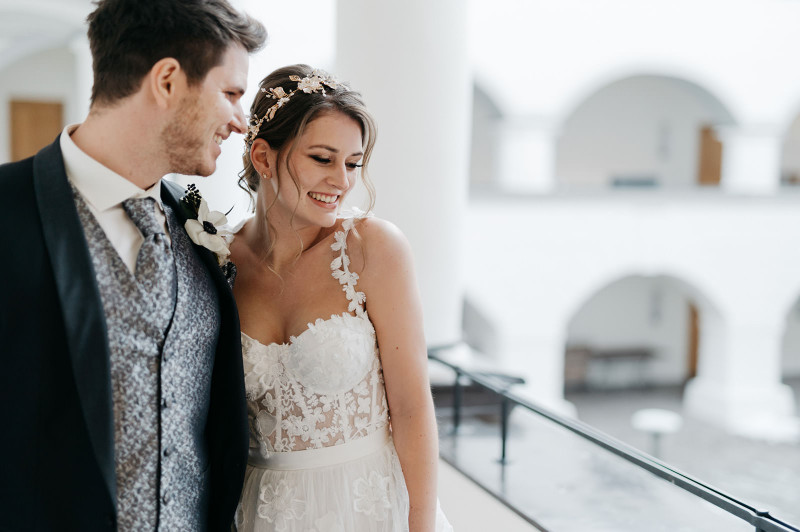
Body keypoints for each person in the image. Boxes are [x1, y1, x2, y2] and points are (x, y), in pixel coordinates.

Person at [0, 1, 266, 530]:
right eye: (232, 94)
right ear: (167, 80)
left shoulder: (198, 227)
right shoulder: (7, 212)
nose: (241, 122)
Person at [230, 64, 453, 532]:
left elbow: (412, 407)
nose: (342, 180)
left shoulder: (373, 249)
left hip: (366, 508)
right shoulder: (219, 261)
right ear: (263, 157)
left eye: (352, 163)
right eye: (322, 159)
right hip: (261, 513)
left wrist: (421, 526)